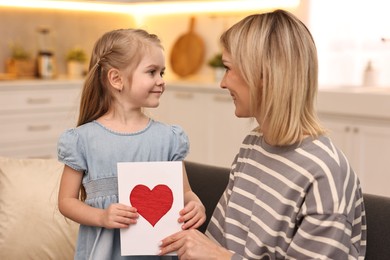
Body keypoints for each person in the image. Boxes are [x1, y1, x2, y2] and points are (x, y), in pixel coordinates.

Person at [159, 9, 366, 259]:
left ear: (264, 76)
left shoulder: (326, 174)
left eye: (228, 69)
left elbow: (218, 254)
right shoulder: (253, 146)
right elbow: (218, 242)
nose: (222, 83)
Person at [57, 28, 205, 260]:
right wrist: (101, 217)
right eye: (152, 72)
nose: (161, 81)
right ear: (116, 79)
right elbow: (66, 201)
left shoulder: (168, 138)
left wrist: (195, 204)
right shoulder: (82, 139)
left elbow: (184, 192)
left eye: (162, 72)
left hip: (159, 252)